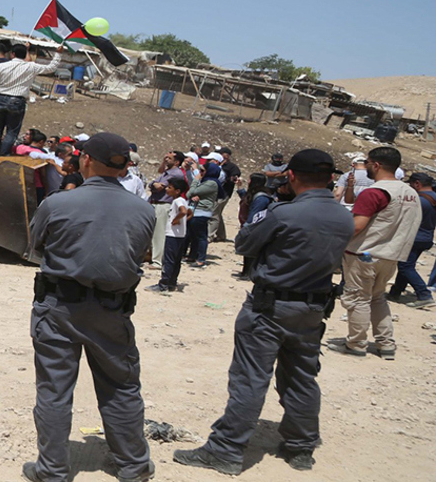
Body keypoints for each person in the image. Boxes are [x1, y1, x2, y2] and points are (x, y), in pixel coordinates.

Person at [174, 149, 354, 475]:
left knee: (250, 380)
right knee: (302, 378)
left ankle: (225, 451)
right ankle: (300, 447)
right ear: (330, 179)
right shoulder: (344, 217)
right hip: (313, 309)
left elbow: (244, 245)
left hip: (270, 308)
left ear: (292, 176)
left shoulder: (283, 213)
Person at [23, 132, 155, 482]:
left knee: (54, 389)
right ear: (126, 165)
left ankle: (51, 471)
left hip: (59, 309)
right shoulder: (144, 210)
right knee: (121, 386)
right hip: (114, 311)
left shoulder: (57, 203)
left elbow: (35, 246)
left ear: (85, 160)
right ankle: (133, 466)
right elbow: (138, 254)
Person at [327, 146, 421, 360]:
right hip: (391, 255)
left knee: (358, 299)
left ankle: (356, 344)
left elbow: (357, 226)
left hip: (363, 255)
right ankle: (385, 343)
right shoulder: (411, 193)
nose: (366, 166)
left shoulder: (375, 192)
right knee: (378, 298)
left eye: (368, 162)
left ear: (376, 165)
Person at [0, 44, 63, 159]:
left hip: (0, 98)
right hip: (17, 101)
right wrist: (58, 54)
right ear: (25, 54)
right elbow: (51, 68)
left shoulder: (1, 66)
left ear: (12, 54)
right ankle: (3, 156)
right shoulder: (31, 66)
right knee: (11, 132)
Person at [387, 173, 436, 308]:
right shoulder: (433, 198)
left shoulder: (419, 200)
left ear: (417, 184)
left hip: (414, 237)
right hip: (427, 237)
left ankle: (424, 294)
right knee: (406, 264)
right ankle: (395, 292)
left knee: (405, 267)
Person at [147, 177, 190, 292]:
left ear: (177, 191)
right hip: (180, 235)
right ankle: (172, 283)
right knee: (176, 261)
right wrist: (183, 220)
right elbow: (190, 213)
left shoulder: (177, 201)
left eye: (170, 187)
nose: (167, 189)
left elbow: (184, 212)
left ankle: (163, 284)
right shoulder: (183, 200)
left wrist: (175, 220)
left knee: (168, 260)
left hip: (172, 235)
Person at [147, 151, 187, 269]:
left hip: (164, 204)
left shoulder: (176, 174)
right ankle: (151, 255)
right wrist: (154, 184)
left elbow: (159, 187)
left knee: (159, 233)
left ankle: (157, 261)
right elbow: (152, 184)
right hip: (155, 203)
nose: (166, 159)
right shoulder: (166, 172)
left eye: (169, 158)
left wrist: (155, 184)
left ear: (177, 162)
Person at [184, 163, 221, 268]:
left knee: (201, 237)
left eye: (202, 171)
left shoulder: (211, 183)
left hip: (201, 212)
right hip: (196, 211)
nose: (200, 173)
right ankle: (192, 256)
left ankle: (201, 259)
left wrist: (196, 180)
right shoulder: (205, 182)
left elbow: (190, 193)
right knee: (193, 235)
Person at [210, 147, 241, 242]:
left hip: (224, 193)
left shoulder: (232, 167)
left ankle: (209, 235)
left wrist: (233, 179)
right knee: (217, 213)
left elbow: (235, 176)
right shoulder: (216, 165)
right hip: (214, 193)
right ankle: (221, 235)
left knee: (213, 213)